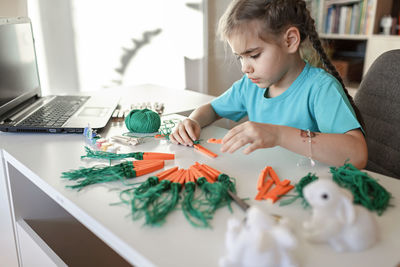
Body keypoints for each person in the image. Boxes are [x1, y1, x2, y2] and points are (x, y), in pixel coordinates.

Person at [170, 0, 367, 168]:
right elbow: (212, 109)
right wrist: (193, 121)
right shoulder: (250, 86)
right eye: (240, 57)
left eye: (254, 55)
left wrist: (278, 135)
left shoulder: (320, 88)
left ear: (290, 40)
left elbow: (358, 154)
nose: (245, 68)